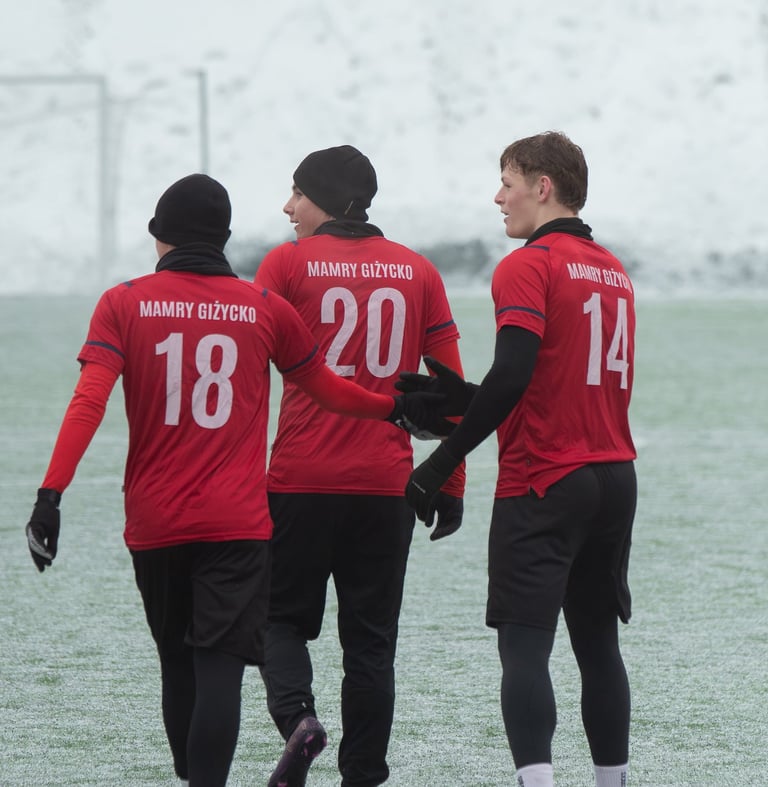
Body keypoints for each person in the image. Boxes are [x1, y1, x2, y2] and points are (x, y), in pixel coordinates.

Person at [23, 173, 451, 787]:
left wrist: (51, 495)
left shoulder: (123, 302)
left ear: (160, 236)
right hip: (240, 522)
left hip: (156, 520)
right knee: (221, 670)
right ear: (224, 239)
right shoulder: (263, 307)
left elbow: (88, 402)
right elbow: (328, 389)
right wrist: (396, 409)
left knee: (178, 667)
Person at [399, 131, 636, 787]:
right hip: (615, 477)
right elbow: (555, 384)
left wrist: (441, 460)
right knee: (598, 645)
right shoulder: (613, 270)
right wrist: (464, 398)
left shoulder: (528, 265)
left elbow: (514, 374)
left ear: (543, 187)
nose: (498, 197)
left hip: (545, 479)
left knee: (525, 646)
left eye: (507, 183)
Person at [253, 144, 466, 787]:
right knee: (371, 645)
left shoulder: (285, 264)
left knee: (277, 621)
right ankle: (364, 776)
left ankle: (298, 720)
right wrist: (451, 481)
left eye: (298, 192)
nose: (288, 207)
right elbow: (452, 391)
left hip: (300, 479)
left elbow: (244, 370)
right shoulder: (419, 271)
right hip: (385, 487)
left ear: (326, 198)